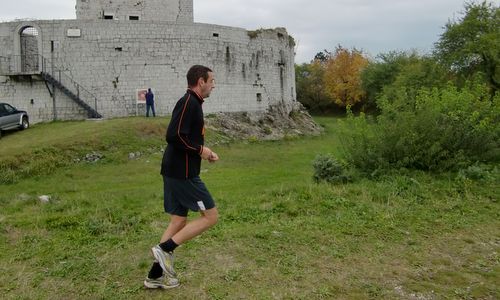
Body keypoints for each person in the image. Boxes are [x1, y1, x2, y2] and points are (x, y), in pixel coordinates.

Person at [144, 65, 219, 289]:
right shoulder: (189, 102)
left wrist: (205, 152)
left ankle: (154, 276)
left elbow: (185, 137)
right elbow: (174, 135)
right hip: (183, 173)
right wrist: (201, 151)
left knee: (178, 220)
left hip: (174, 170)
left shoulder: (193, 103)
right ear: (200, 81)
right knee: (210, 216)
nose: (213, 85)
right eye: (211, 80)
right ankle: (165, 249)